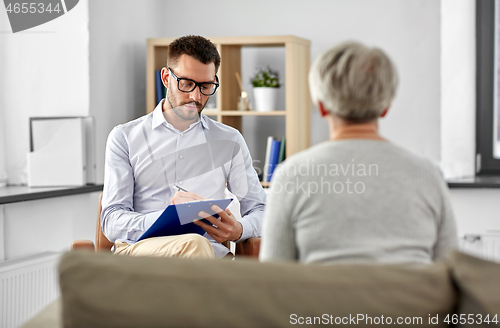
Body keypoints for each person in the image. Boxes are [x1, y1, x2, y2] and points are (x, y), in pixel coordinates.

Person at [259, 41, 458, 264]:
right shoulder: (427, 175)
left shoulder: (291, 176)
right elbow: (451, 273)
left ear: (322, 106)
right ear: (385, 107)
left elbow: (274, 280)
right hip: (411, 299)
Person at [101, 35, 266, 259]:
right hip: (141, 254)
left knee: (198, 246)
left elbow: (260, 209)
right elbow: (111, 221)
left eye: (206, 86)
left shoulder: (231, 141)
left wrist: (239, 229)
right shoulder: (124, 138)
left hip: (210, 255)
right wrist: (172, 218)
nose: (195, 96)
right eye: (186, 84)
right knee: (194, 245)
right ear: (166, 77)